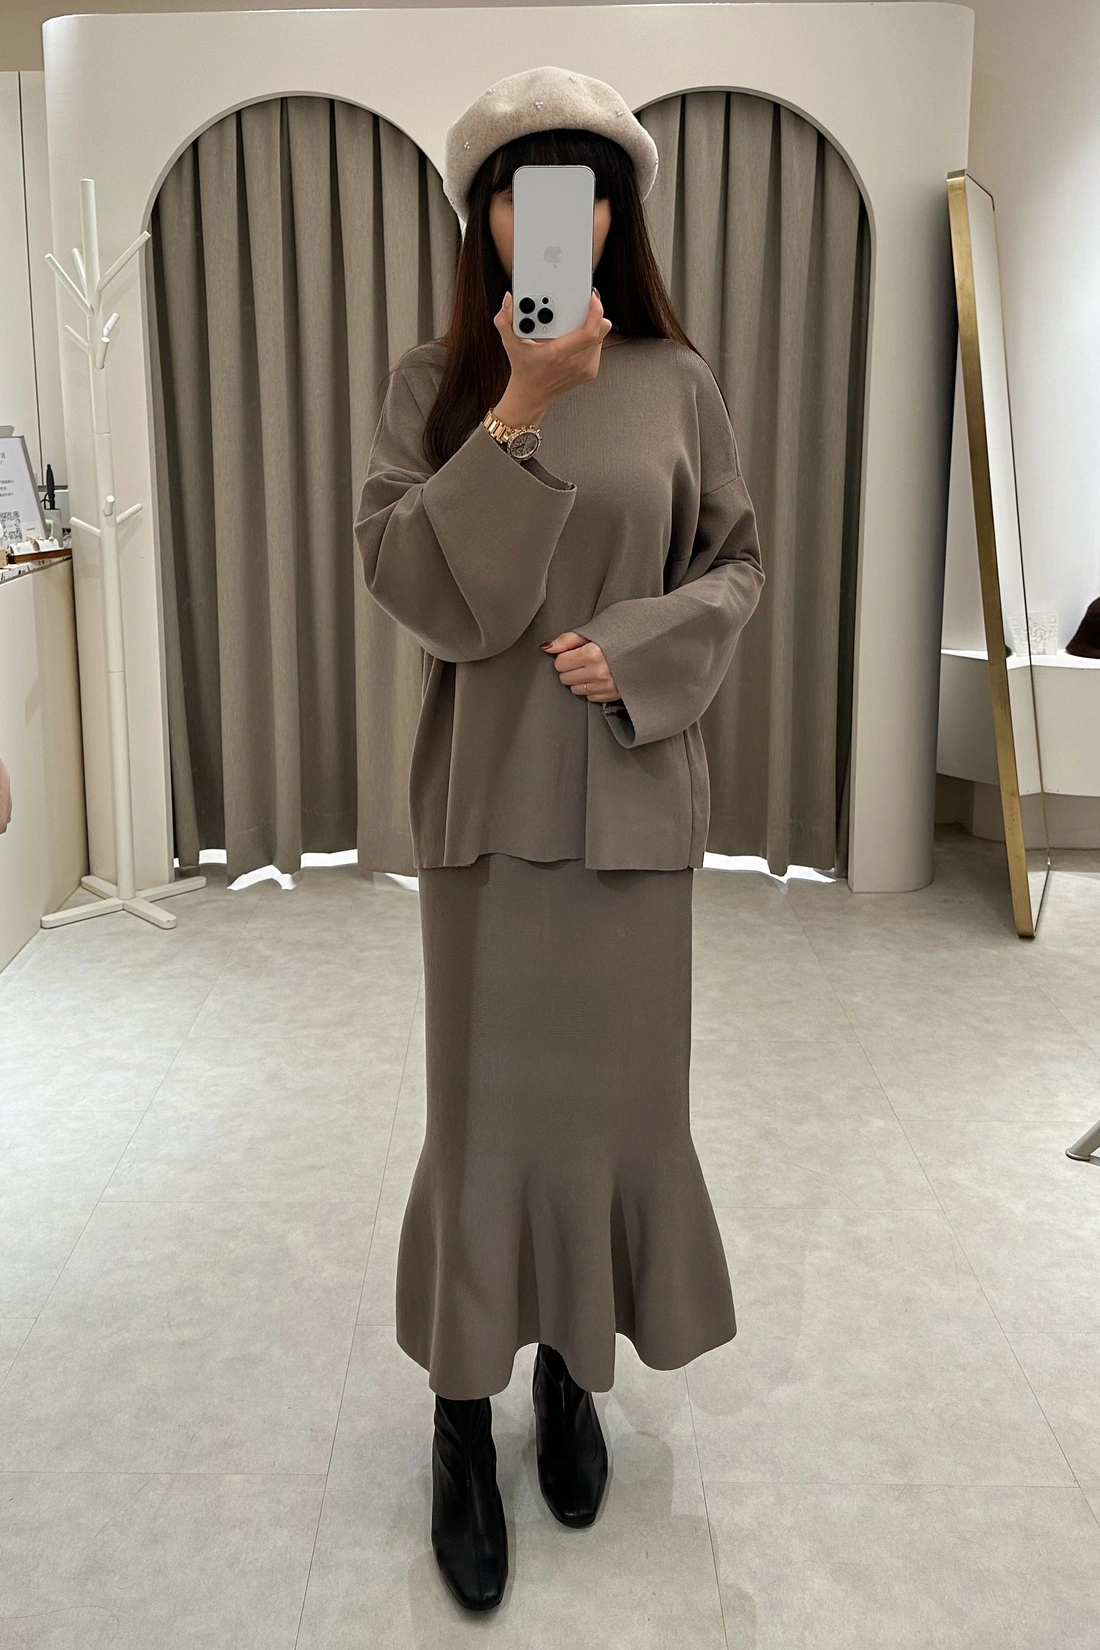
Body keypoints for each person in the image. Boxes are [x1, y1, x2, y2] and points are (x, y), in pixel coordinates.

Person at [354, 64, 765, 1612]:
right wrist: (519, 409)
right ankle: (462, 1417)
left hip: (634, 810)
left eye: (583, 190)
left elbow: (735, 563)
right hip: (489, 807)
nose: (556, 217)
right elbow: (412, 580)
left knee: (612, 1116)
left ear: (614, 215)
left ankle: (569, 1372)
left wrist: (642, 645)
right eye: (524, 191)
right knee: (485, 1127)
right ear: (487, 219)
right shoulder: (434, 382)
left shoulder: (679, 379)